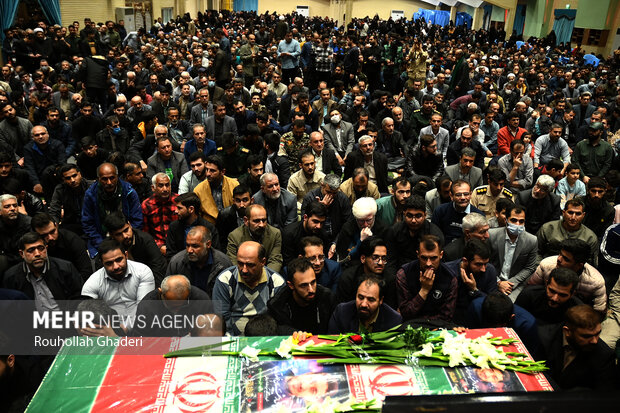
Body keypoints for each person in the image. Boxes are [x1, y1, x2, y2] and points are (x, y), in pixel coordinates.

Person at [212, 240, 285, 335]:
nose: (244, 270)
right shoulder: (225, 279)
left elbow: (279, 321)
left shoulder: (276, 282)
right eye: (240, 263)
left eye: (250, 265)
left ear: (263, 262)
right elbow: (222, 318)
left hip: (264, 339)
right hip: (233, 340)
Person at [538, 305, 616, 391]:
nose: (595, 341)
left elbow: (603, 395)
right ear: (567, 331)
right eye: (586, 336)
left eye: (597, 334)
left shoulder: (604, 356)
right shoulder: (544, 338)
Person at [2, 232, 83, 311]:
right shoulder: (11, 277)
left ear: (46, 249)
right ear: (22, 254)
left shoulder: (65, 268)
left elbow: (79, 297)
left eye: (41, 248)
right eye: (31, 250)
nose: (37, 254)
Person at [82, 239, 154, 319]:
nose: (116, 267)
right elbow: (86, 315)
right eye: (109, 263)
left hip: (141, 323)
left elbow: (145, 310)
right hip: (110, 326)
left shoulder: (142, 271)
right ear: (102, 262)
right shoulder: (92, 284)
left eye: (119, 260)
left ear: (126, 255)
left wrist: (125, 328)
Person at [82, 162, 143, 257]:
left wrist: (127, 238)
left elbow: (137, 220)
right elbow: (88, 223)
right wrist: (101, 244)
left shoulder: (128, 191)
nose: (109, 182)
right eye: (104, 179)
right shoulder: (91, 195)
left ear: (117, 176)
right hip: (101, 238)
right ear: (98, 179)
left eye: (112, 178)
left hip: (127, 237)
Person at [396, 235, 457, 323]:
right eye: (424, 258)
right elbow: (406, 313)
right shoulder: (404, 274)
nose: (428, 263)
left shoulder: (450, 277)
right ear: (417, 254)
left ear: (441, 255)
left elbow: (446, 316)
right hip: (410, 326)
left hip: (439, 328)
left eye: (433, 258)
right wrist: (424, 290)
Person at [131, 275, 216, 337]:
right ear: (161, 293)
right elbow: (141, 337)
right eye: (172, 306)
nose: (177, 310)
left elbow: (210, 331)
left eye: (182, 304)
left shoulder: (201, 300)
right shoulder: (147, 306)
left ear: (189, 294)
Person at [268, 257, 336, 335]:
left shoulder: (328, 298)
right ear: (291, 285)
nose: (311, 290)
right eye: (304, 285)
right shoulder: (278, 305)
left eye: (313, 282)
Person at [465, 292, 541, 361]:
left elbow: (528, 357)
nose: (493, 332)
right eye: (489, 326)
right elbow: (469, 337)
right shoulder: (476, 307)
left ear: (511, 317)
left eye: (497, 328)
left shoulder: (527, 325)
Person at [487, 204, 538, 302]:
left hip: (514, 284)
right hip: (493, 278)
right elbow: (486, 261)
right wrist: (498, 282)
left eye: (521, 221)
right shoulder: (491, 235)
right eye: (514, 220)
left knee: (509, 306)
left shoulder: (532, 240)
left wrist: (509, 283)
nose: (517, 224)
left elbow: (529, 267)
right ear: (506, 220)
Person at [104, 211, 167, 286]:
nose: (125, 236)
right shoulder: (107, 247)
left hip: (147, 280)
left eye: (126, 230)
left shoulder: (145, 240)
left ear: (130, 225)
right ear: (112, 235)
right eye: (119, 234)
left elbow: (158, 268)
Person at [385, 195, 445, 273]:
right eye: (409, 216)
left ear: (425, 215)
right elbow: (390, 261)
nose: (413, 220)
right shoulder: (395, 230)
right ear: (404, 214)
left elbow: (436, 264)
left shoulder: (434, 235)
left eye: (418, 216)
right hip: (399, 273)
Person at [167, 225, 232, 297]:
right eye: (188, 245)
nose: (189, 250)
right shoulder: (176, 263)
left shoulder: (223, 263)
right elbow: (167, 292)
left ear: (208, 244)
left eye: (195, 246)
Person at [329, 274, 402, 334]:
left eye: (371, 300)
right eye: (360, 297)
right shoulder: (342, 312)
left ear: (380, 300)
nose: (364, 304)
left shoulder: (394, 321)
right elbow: (331, 343)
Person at [536, 198, 599, 265]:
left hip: (574, 272)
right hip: (547, 266)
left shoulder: (590, 237)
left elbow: (590, 263)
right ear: (563, 213)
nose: (573, 217)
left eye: (578, 214)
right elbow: (536, 252)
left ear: (583, 215)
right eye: (570, 212)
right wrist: (541, 267)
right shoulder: (547, 228)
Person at [31, 213, 91, 281]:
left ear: (56, 226)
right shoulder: (33, 248)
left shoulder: (72, 240)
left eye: (52, 231)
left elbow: (86, 272)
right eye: (44, 235)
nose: (50, 238)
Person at [516, 267, 582, 326]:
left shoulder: (578, 310)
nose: (555, 298)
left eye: (562, 295)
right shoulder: (529, 294)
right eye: (552, 291)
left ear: (572, 294)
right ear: (546, 284)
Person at [227, 204, 283, 273]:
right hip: (243, 274)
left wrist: (264, 278)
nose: (261, 225)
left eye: (264, 220)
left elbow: (275, 260)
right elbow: (233, 263)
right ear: (246, 221)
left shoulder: (275, 234)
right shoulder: (235, 236)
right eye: (256, 221)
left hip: (267, 275)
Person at [301, 174, 352, 242]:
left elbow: (347, 224)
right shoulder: (310, 197)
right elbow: (305, 222)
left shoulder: (342, 199)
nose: (331, 196)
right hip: (314, 238)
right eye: (328, 192)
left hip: (337, 238)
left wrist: (335, 243)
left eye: (334, 193)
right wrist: (321, 208)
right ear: (322, 185)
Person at [336, 197, 388, 263]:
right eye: (361, 221)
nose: (365, 224)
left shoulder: (383, 229)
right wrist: (361, 241)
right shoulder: (347, 228)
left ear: (374, 216)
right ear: (356, 218)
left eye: (369, 220)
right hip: (353, 266)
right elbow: (344, 258)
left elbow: (388, 256)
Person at [431, 180, 484, 244]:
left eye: (466, 194)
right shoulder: (440, 211)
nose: (463, 198)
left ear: (470, 194)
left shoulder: (478, 215)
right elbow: (433, 236)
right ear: (451, 196)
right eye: (458, 195)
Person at [23, 125, 66, 200]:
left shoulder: (58, 144)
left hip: (54, 175)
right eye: (37, 135)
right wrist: (36, 183)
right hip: (38, 177)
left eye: (43, 134)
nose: (40, 137)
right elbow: (30, 167)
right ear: (32, 138)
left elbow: (62, 163)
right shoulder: (28, 148)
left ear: (48, 134)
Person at [193, 154, 239, 223]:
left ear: (222, 172)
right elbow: (197, 216)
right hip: (209, 227)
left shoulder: (234, 185)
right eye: (207, 170)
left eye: (212, 171)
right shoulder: (198, 190)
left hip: (232, 224)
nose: (208, 174)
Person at [48, 164, 90, 235]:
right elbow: (54, 211)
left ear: (80, 174)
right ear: (63, 180)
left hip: (90, 222)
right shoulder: (60, 189)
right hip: (71, 223)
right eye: (68, 178)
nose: (72, 180)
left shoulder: (91, 186)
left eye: (74, 176)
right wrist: (54, 226)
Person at [141, 173, 178, 255]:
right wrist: (159, 247)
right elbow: (145, 233)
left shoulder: (179, 201)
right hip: (155, 246)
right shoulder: (147, 205)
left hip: (177, 245)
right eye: (161, 186)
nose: (165, 189)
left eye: (167, 185)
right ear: (153, 188)